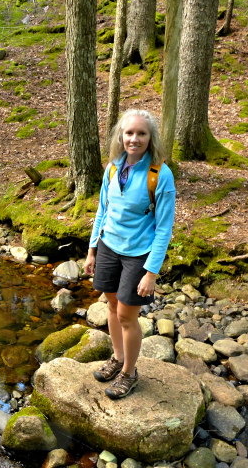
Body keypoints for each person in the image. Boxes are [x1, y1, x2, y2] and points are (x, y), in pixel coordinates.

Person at [83, 109, 176, 399]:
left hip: (139, 253)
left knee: (126, 314)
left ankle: (129, 373)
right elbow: (102, 210)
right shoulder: (112, 168)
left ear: (151, 138)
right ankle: (118, 357)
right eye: (129, 133)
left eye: (141, 133)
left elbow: (164, 228)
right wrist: (92, 250)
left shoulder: (160, 174)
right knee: (111, 306)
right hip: (109, 246)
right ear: (120, 136)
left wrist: (152, 272)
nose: (134, 139)